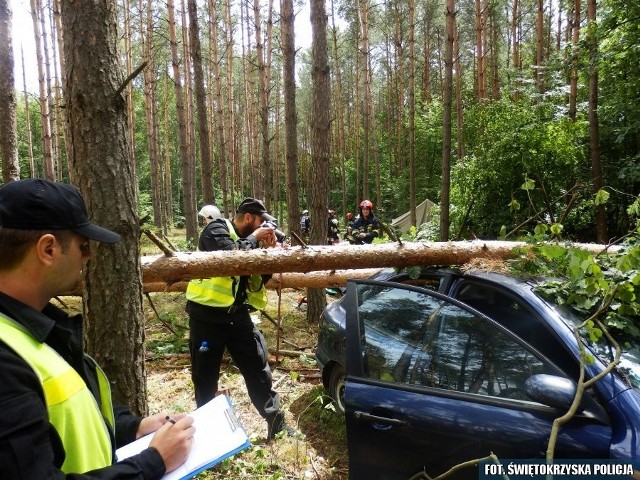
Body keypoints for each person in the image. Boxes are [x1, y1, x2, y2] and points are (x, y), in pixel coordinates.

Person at [0, 178, 195, 479]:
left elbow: (65, 421)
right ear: (48, 249)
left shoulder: (32, 325)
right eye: (83, 245)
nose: (88, 256)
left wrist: (132, 429)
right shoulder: (5, 360)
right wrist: (151, 463)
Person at [186, 198, 294, 441]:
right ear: (248, 218)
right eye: (261, 222)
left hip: (237, 316)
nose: (264, 227)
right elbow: (230, 258)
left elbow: (257, 280)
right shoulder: (217, 229)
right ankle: (206, 434)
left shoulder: (252, 242)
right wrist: (256, 238)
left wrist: (269, 254)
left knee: (258, 368)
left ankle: (276, 424)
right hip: (206, 316)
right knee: (205, 376)